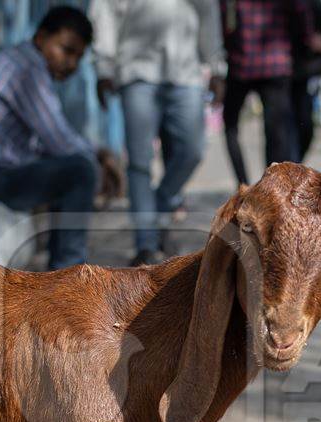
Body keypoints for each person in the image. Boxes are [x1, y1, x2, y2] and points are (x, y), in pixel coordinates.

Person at [0, 7, 121, 270]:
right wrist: (100, 161)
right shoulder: (27, 70)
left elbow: (49, 142)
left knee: (73, 166)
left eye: (78, 57)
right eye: (66, 50)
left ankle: (62, 271)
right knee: (80, 171)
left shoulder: (18, 62)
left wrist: (98, 153)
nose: (71, 64)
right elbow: (60, 140)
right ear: (41, 37)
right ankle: (69, 277)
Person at [90, 0, 224, 266]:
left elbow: (208, 12)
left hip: (186, 73)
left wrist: (217, 66)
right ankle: (146, 245)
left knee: (193, 150)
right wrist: (103, 68)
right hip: (137, 72)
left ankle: (157, 209)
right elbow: (105, 11)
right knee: (139, 164)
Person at [220, 0, 321, 185]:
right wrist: (306, 41)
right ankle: (272, 189)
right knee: (276, 133)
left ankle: (243, 186)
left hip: (240, 64)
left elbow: (224, 18)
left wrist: (229, 47)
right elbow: (301, 11)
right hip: (275, 65)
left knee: (230, 126)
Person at [291, 0, 321, 162]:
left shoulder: (316, 7)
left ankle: (294, 166)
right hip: (284, 74)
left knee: (305, 127)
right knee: (283, 129)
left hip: (307, 75)